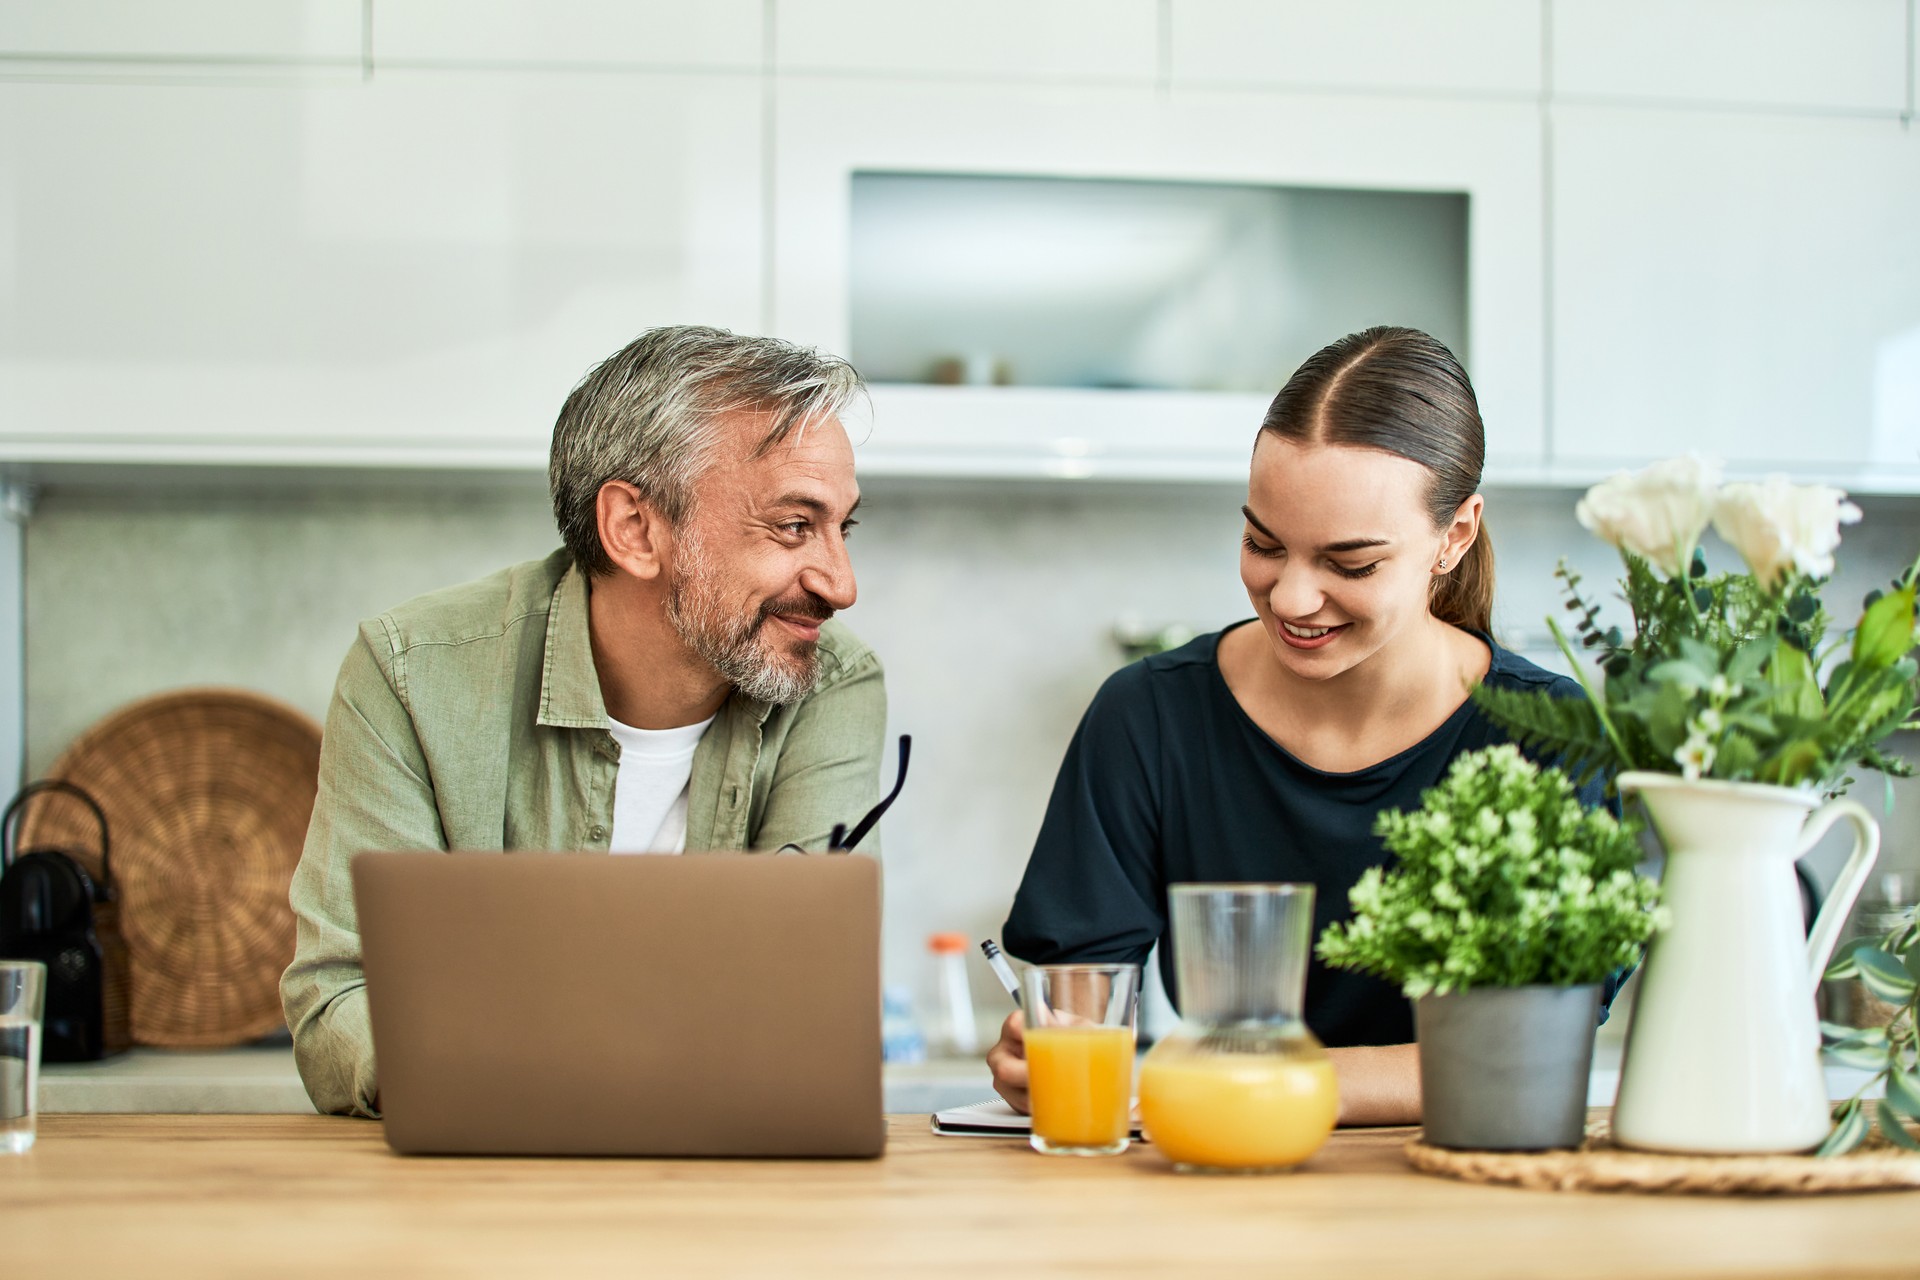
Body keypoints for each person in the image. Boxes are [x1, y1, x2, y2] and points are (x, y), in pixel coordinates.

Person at [988, 326, 1616, 1127]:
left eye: (1350, 565)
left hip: (1463, 1197)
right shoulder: (1148, 716)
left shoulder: (1547, 733)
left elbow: (1526, 1050)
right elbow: (1076, 1009)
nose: (1289, 597)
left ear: (1453, 537)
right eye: (1262, 543)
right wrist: (1040, 1053)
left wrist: (1249, 1081)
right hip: (1218, 1181)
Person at [282, 325, 887, 1117]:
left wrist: (493, 1049)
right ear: (635, 530)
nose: (841, 584)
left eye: (844, 528)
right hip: (472, 1198)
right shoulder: (411, 672)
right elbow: (340, 1004)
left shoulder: (831, 683)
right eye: (794, 526)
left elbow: (809, 1006)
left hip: (726, 1198)